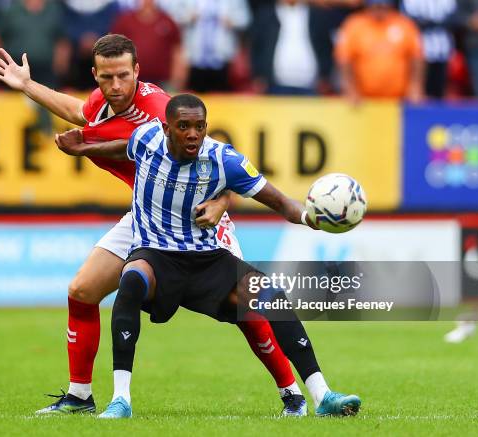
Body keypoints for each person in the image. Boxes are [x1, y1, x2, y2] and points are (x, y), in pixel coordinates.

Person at [0, 34, 309, 417]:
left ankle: (293, 394)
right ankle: (79, 396)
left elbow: (224, 165)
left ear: (137, 71)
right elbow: (79, 112)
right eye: (106, 78)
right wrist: (27, 86)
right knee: (83, 289)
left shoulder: (158, 110)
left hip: (196, 218)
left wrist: (222, 201)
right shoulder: (105, 101)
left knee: (245, 307)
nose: (116, 85)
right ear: (96, 75)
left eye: (123, 75)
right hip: (147, 217)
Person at [83, 94, 361, 419]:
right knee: (131, 279)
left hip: (208, 260)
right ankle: (121, 400)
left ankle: (322, 395)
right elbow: (122, 146)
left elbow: (281, 202)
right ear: (165, 128)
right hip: (156, 255)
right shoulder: (146, 138)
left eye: (199, 127)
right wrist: (84, 148)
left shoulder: (224, 159)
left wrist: (308, 218)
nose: (192, 134)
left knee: (272, 297)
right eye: (183, 126)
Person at [335, 0, 425, 104]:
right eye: (376, 6)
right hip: (363, 102)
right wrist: (350, 88)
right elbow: (344, 59)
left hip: (399, 101)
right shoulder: (354, 25)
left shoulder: (404, 24)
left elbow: (416, 57)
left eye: (382, 6)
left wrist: (415, 86)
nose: (379, 10)